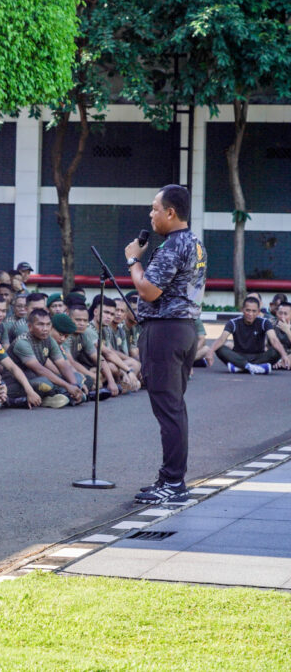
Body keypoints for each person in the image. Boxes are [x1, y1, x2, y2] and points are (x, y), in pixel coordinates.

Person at [124, 184, 207, 504]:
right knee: (173, 407)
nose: (151, 214)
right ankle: (170, 478)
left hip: (166, 332)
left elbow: (148, 290)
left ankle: (173, 482)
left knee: (169, 409)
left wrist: (133, 260)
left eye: (155, 209)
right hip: (183, 329)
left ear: (171, 213)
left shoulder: (173, 245)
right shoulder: (195, 243)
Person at [4, 308, 85, 408]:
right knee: (45, 383)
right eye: (40, 324)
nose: (45, 329)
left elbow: (62, 364)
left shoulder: (49, 340)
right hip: (17, 383)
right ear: (30, 327)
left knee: (77, 376)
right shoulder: (22, 342)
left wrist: (74, 386)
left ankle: (66, 396)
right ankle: (59, 396)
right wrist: (67, 386)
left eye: (48, 324)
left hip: (36, 378)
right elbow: (39, 370)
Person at [204, 297, 289, 373]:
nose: (250, 314)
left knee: (277, 350)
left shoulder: (264, 322)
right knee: (219, 348)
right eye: (248, 310)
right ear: (242, 310)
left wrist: (284, 355)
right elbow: (222, 339)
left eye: (254, 311)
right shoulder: (233, 322)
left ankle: (241, 368)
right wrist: (210, 352)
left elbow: (274, 340)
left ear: (258, 311)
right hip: (238, 356)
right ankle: (252, 367)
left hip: (259, 357)